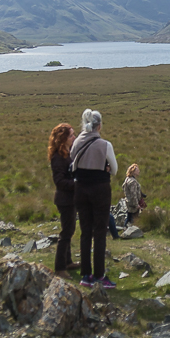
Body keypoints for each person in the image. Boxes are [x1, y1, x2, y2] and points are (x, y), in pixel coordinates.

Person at [69, 109, 118, 289]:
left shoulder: (75, 143)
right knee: (99, 232)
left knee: (85, 232)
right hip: (100, 190)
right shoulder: (105, 145)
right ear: (100, 126)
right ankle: (99, 275)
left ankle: (85, 275)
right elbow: (114, 170)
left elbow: (73, 163)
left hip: (80, 189)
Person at [47, 122, 81, 276]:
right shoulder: (58, 158)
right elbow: (59, 182)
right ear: (63, 139)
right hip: (64, 200)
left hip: (70, 199)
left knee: (70, 230)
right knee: (66, 233)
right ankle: (60, 267)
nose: (74, 137)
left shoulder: (68, 154)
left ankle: (68, 262)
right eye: (72, 135)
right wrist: (76, 184)